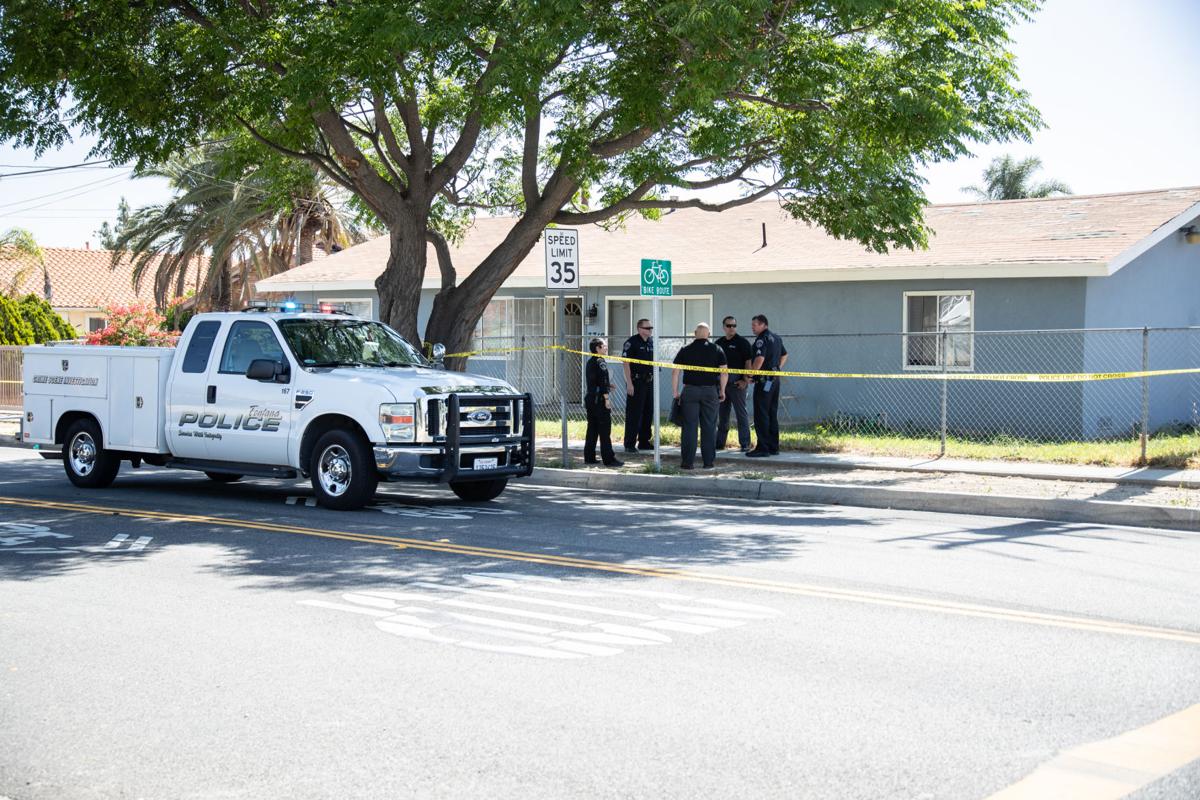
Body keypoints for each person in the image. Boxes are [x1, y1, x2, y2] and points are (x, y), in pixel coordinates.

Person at [671, 323, 727, 470]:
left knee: (689, 427)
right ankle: (708, 463)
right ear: (708, 334)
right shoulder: (717, 349)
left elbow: (675, 372)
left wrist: (675, 392)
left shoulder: (685, 349)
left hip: (690, 391)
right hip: (710, 392)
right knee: (709, 427)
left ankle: (687, 463)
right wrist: (722, 390)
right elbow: (724, 372)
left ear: (695, 333)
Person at [746, 314, 788, 457]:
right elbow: (785, 355)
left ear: (763, 324)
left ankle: (763, 448)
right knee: (771, 412)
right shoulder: (776, 338)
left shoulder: (761, 339)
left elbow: (759, 359)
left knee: (761, 413)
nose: (752, 327)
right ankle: (773, 447)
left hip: (764, 380)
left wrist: (751, 375)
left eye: (755, 325)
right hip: (774, 379)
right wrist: (777, 368)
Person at [714, 315, 754, 452]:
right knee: (722, 415)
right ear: (723, 327)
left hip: (737, 382)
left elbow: (748, 362)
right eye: (729, 326)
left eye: (734, 326)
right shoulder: (718, 343)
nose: (732, 328)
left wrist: (745, 380)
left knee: (741, 414)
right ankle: (719, 443)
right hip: (722, 383)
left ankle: (745, 443)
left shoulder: (742, 342)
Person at [584, 338, 623, 467]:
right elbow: (601, 381)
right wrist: (607, 399)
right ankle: (609, 459)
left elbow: (595, 381)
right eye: (604, 346)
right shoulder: (601, 362)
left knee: (592, 429)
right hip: (599, 400)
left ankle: (589, 457)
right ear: (597, 348)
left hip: (591, 398)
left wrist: (608, 385)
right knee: (605, 430)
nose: (606, 348)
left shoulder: (590, 362)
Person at [621, 318, 655, 453]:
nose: (650, 330)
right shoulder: (632, 342)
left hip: (649, 381)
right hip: (636, 382)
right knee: (634, 413)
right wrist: (629, 383)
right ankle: (629, 443)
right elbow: (626, 363)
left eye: (651, 328)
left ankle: (644, 441)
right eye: (647, 328)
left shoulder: (651, 342)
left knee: (648, 412)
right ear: (640, 329)